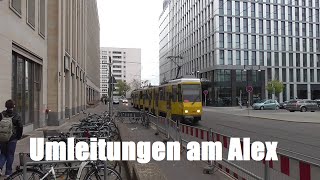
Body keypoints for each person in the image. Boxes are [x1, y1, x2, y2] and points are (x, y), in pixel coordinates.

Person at [0, 100, 23, 177]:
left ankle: (0, 167)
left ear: (6, 106)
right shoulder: (16, 115)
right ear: (14, 106)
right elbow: (20, 127)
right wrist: (18, 136)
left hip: (2, 138)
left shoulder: (1, 114)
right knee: (10, 154)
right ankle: (8, 172)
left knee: (3, 153)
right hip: (12, 138)